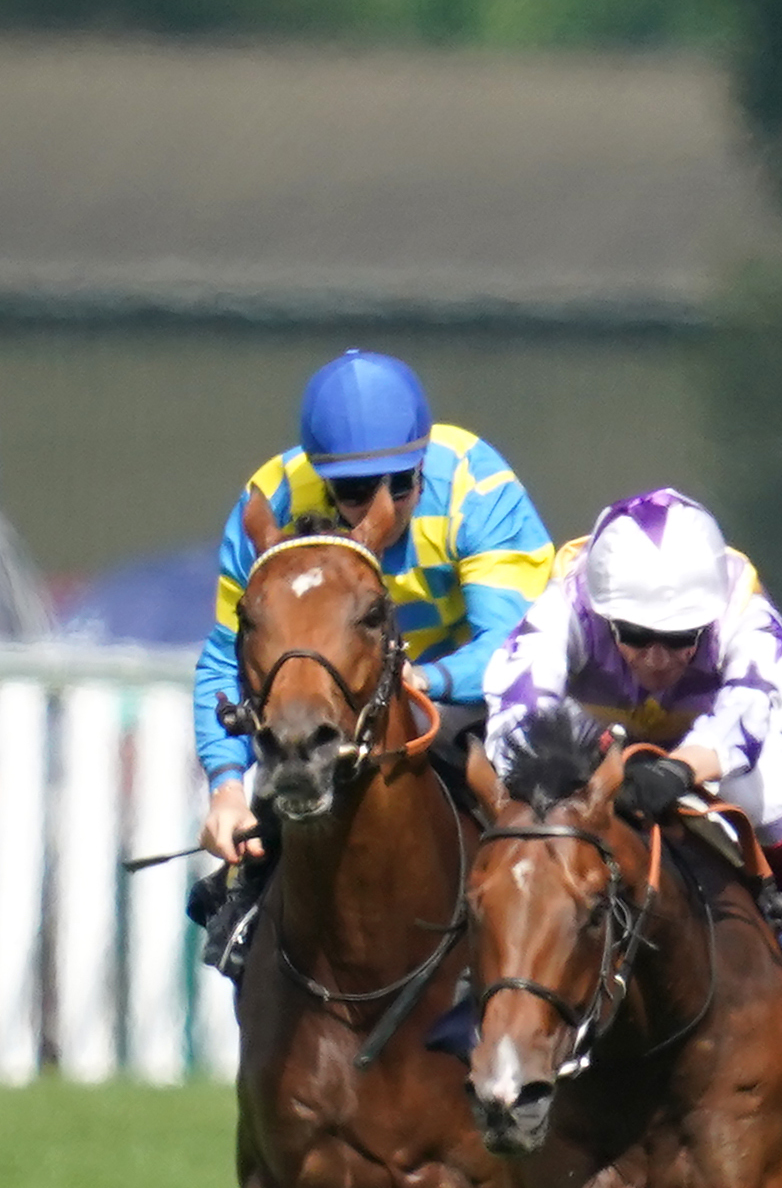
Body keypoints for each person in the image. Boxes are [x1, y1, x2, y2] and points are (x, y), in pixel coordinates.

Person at [191, 351, 554, 969]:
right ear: (320, 475)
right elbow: (225, 659)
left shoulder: (477, 488)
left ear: (423, 461)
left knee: (537, 804)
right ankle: (248, 915)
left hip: (466, 697)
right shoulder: (271, 501)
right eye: (355, 491)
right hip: (340, 705)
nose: (380, 506)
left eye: (402, 483)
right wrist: (226, 787)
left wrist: (427, 680)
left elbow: (520, 647)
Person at [483, 489, 782, 1037]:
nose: (655, 658)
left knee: (763, 803)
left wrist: (681, 771)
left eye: (679, 640)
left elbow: (751, 709)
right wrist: (594, 768)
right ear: (603, 614)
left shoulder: (745, 615)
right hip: (597, 734)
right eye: (634, 635)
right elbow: (517, 713)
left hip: (716, 730)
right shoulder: (565, 606)